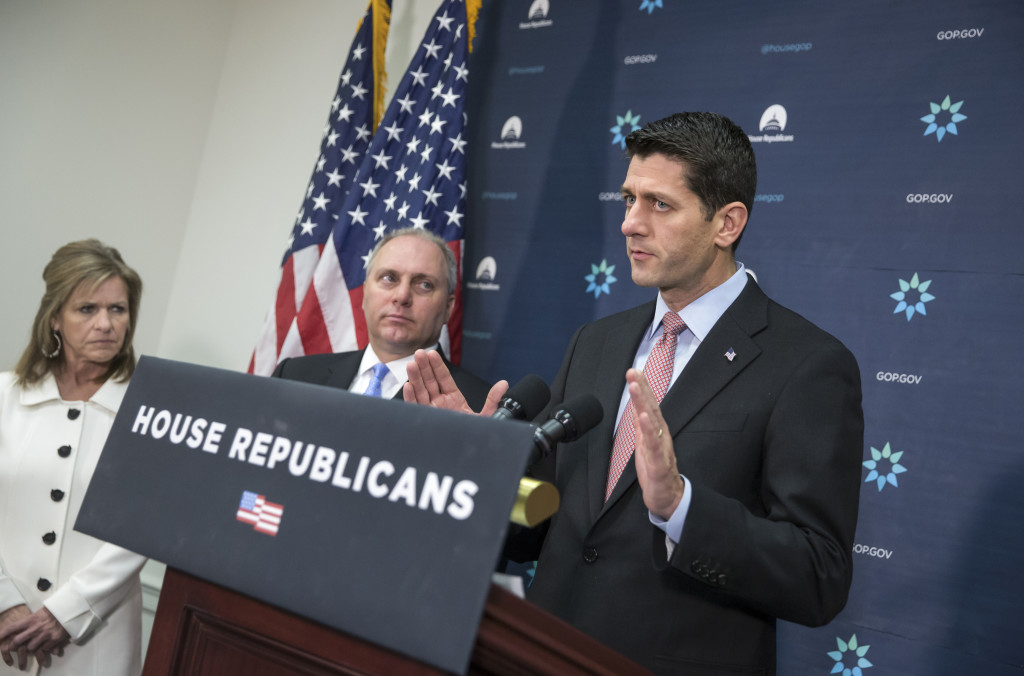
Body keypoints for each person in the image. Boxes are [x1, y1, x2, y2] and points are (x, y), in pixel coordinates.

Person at [404, 112, 864, 675]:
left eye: (659, 205)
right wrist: (486, 468)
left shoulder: (807, 364)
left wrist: (681, 508)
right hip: (537, 655)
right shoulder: (596, 342)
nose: (630, 224)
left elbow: (819, 576)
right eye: (628, 200)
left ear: (727, 223)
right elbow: (541, 526)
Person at [0, 239, 147, 675]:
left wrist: (66, 612)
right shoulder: (4, 396)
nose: (105, 323)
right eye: (87, 309)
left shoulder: (152, 410)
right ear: (55, 319)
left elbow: (141, 526)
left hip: (97, 641)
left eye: (117, 309)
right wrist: (5, 604)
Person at [273, 228, 492, 409]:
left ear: (448, 308)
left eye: (424, 284)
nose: (402, 296)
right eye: (389, 278)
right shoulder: (294, 376)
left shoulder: (478, 407)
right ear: (365, 294)